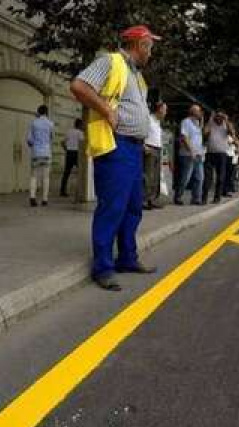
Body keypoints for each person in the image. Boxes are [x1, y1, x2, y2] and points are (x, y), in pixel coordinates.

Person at [69, 24, 161, 291]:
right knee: (112, 207)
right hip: (115, 146)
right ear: (139, 44)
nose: (151, 53)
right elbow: (78, 86)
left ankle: (127, 258)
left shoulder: (137, 77)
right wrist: (106, 111)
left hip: (133, 148)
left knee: (133, 207)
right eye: (150, 47)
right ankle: (103, 268)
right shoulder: (111, 61)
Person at [175, 104, 205, 205]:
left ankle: (196, 198)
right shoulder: (186, 122)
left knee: (199, 177)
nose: (200, 112)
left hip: (198, 154)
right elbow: (184, 137)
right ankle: (178, 197)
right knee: (185, 177)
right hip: (187, 154)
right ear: (193, 112)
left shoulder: (198, 124)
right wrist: (191, 150)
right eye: (199, 111)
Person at [203, 111, 234, 203]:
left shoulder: (226, 125)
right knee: (207, 176)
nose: (219, 118)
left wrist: (227, 120)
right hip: (210, 153)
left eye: (221, 117)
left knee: (220, 177)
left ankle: (217, 198)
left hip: (221, 154)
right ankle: (203, 198)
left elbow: (232, 133)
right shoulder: (210, 124)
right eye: (217, 116)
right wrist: (210, 119)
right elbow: (204, 132)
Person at [26, 104, 54, 207]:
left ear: (38, 112)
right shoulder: (51, 124)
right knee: (46, 177)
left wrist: (32, 144)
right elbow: (52, 137)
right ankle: (45, 199)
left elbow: (29, 140)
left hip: (36, 153)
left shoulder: (34, 123)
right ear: (47, 112)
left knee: (34, 176)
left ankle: (32, 197)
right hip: (47, 153)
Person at [143, 100, 166, 210]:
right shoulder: (149, 119)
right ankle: (144, 200)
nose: (166, 112)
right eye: (164, 109)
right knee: (149, 175)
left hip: (158, 148)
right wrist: (143, 145)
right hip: (149, 148)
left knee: (156, 176)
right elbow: (142, 131)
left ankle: (152, 199)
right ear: (159, 109)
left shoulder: (158, 122)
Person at [60, 118, 84, 198]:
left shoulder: (69, 131)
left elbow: (62, 142)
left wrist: (66, 149)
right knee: (81, 173)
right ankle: (81, 192)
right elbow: (82, 144)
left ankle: (62, 191)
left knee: (66, 173)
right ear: (80, 125)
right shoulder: (80, 133)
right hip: (77, 154)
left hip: (69, 153)